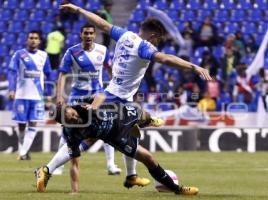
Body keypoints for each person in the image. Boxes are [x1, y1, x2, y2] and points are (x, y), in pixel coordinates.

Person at [51, 2, 211, 192]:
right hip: (115, 100)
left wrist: (79, 9)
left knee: (134, 134)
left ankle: (132, 175)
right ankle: (49, 168)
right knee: (92, 137)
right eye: (158, 41)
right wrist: (193, 66)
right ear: (154, 36)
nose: (157, 45)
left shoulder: (125, 35)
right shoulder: (145, 47)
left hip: (113, 95)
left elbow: (102, 24)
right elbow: (167, 59)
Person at [36, 103, 199, 195]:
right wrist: (75, 191)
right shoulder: (71, 132)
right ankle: (177, 189)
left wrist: (93, 105)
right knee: (148, 158)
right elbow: (75, 162)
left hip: (121, 116)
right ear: (64, 123)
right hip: (116, 138)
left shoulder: (82, 107)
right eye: (69, 119)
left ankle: (147, 121)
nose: (73, 117)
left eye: (71, 113)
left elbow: (99, 97)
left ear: (71, 108)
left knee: (141, 112)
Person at [56, 23, 122, 175]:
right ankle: (59, 166)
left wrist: (114, 89)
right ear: (81, 34)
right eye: (85, 33)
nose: (88, 36)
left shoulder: (103, 50)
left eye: (91, 33)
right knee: (68, 129)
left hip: (96, 95)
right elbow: (62, 74)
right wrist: (59, 95)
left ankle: (111, 165)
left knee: (106, 126)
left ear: (95, 35)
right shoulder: (71, 52)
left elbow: (109, 68)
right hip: (77, 95)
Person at [8, 30, 52, 160]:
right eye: (31, 38)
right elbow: (11, 72)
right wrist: (12, 89)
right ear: (27, 40)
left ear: (39, 41)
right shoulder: (19, 55)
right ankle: (24, 151)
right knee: (21, 124)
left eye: (36, 38)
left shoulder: (44, 56)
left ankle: (22, 153)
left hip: (37, 96)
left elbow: (49, 74)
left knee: (33, 123)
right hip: (21, 95)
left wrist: (49, 94)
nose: (33, 40)